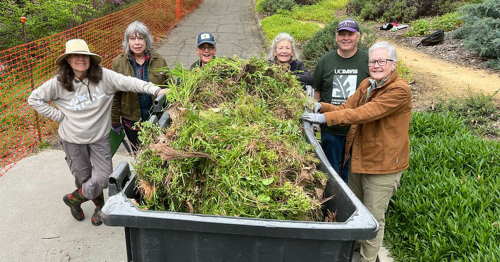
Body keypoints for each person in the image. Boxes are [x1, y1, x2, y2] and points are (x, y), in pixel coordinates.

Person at [28, 39, 169, 226]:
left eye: (85, 56)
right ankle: (98, 207)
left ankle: (73, 198)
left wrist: (156, 90)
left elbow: (131, 82)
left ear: (90, 59)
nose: (81, 59)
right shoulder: (58, 83)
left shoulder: (104, 77)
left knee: (102, 178)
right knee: (84, 177)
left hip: (99, 138)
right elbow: (34, 99)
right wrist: (59, 117)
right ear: (68, 60)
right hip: (72, 140)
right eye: (76, 56)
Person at [302, 41, 412, 262]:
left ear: (394, 64)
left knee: (372, 219)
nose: (376, 65)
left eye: (382, 61)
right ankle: (353, 253)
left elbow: (364, 113)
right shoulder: (367, 84)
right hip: (359, 160)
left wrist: (324, 118)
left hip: (383, 165)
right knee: (355, 212)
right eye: (372, 61)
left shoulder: (399, 89)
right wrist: (320, 106)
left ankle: (367, 259)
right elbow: (347, 108)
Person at [312, 18, 370, 183]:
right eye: (342, 34)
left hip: (357, 130)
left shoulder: (367, 59)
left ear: (358, 37)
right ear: (336, 37)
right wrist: (315, 117)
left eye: (350, 34)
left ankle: (349, 206)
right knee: (328, 172)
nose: (346, 38)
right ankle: (330, 204)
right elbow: (317, 90)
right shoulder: (325, 60)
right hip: (331, 129)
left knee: (351, 175)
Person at [111, 21, 168, 151]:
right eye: (132, 38)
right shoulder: (119, 63)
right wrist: (115, 120)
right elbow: (115, 94)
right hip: (131, 120)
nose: (137, 43)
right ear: (127, 42)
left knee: (158, 152)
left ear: (147, 41)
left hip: (155, 117)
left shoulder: (159, 60)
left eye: (141, 38)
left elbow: (168, 87)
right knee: (139, 153)